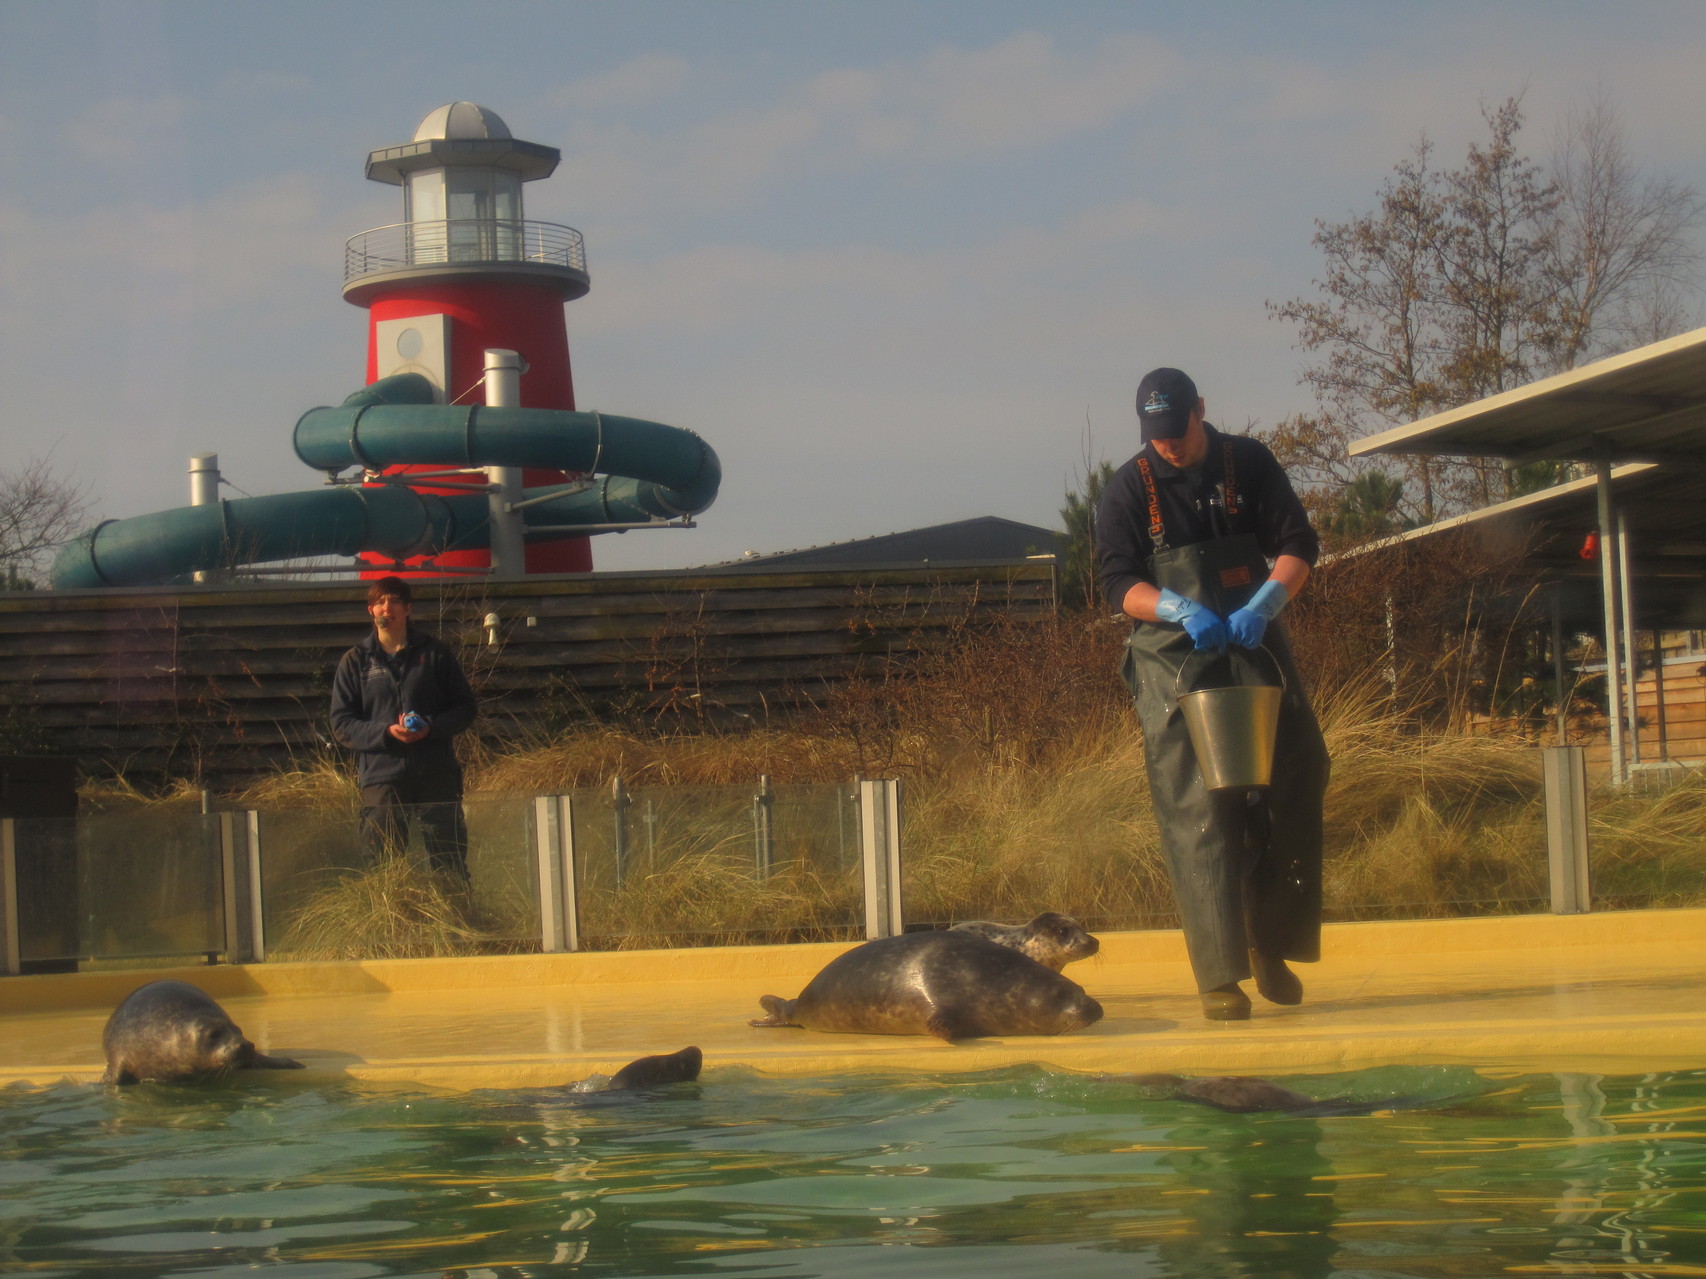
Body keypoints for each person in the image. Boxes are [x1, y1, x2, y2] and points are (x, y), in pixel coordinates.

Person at [1096, 367, 1330, 1021]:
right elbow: (1118, 583)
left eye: (1177, 430)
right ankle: (1218, 973)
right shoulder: (1126, 489)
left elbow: (1298, 543)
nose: (1168, 444)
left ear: (1201, 410)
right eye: (1156, 435)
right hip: (1172, 653)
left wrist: (1268, 599)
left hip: (1253, 637)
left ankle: (1270, 941)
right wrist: (1172, 604)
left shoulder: (1247, 463)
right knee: (1197, 801)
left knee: (1301, 767)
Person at [329, 576, 479, 882]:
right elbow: (341, 724)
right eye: (380, 602)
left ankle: (457, 925)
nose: (388, 608)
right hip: (382, 778)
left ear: (408, 608)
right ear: (370, 610)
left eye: (395, 600)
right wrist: (385, 733)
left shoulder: (435, 653)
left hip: (436, 773)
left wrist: (431, 727)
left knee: (448, 865)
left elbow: (465, 708)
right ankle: (390, 929)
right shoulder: (355, 661)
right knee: (383, 870)